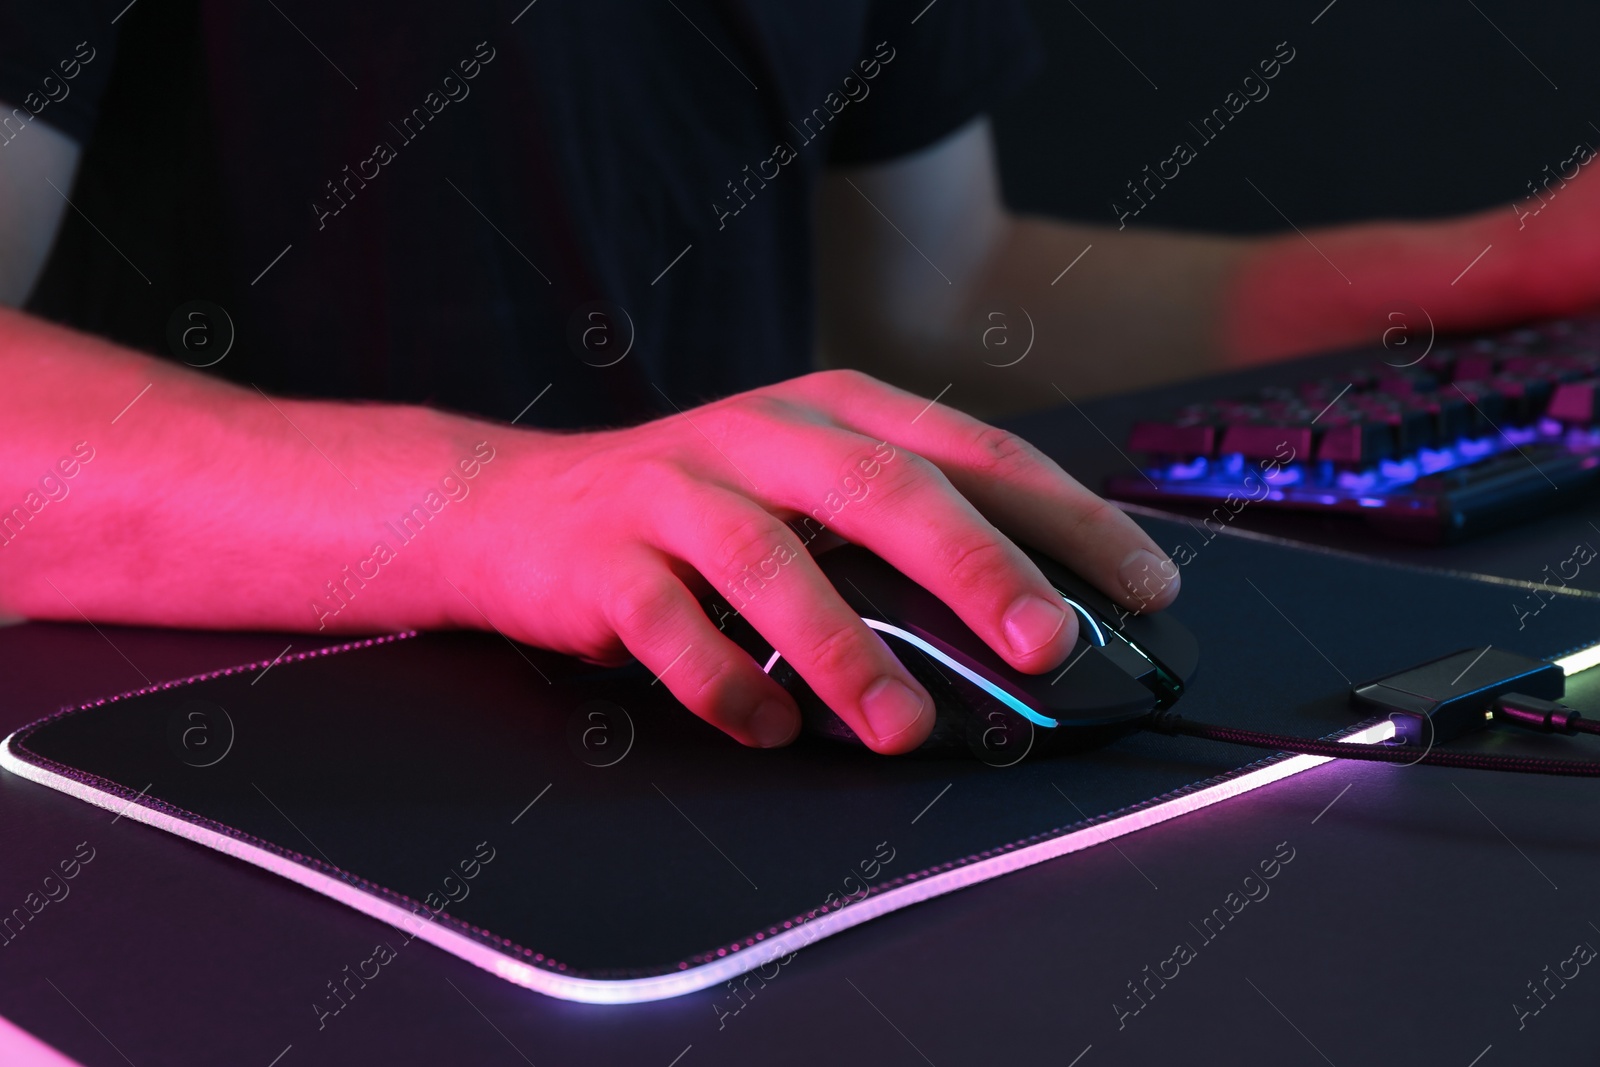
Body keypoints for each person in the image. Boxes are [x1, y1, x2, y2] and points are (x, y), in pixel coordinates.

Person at [0, 1, 1594, 756]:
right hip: (251, 774)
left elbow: (938, 294)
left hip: (776, 731)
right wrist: (499, 501)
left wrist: (1502, 264)